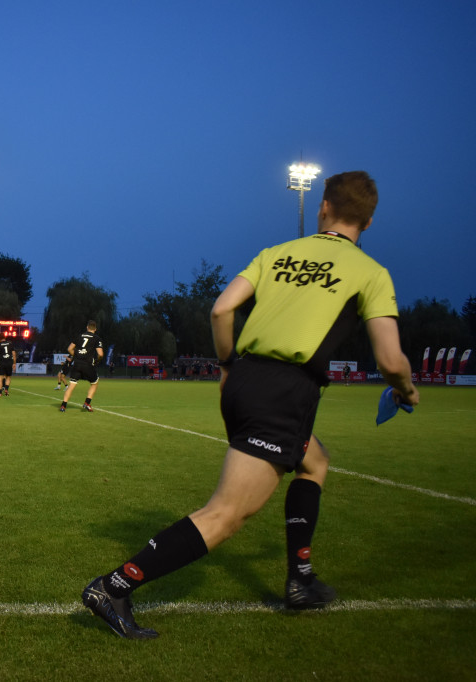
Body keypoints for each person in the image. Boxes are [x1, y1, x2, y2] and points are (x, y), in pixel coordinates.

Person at [81, 171, 420, 640]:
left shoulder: (276, 253)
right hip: (285, 391)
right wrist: (405, 389)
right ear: (369, 219)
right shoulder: (371, 272)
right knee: (226, 513)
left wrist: (225, 366)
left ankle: (300, 578)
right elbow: (390, 359)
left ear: (323, 207)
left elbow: (222, 310)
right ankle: (113, 586)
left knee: (314, 462)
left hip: (243, 380)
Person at [60, 321, 103, 412]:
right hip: (88, 364)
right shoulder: (96, 338)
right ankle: (87, 403)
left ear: (87, 327)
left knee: (72, 385)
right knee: (94, 383)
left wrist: (76, 356)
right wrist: (97, 361)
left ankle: (63, 406)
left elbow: (69, 349)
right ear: (95, 329)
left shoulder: (79, 336)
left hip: (77, 364)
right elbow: (100, 354)